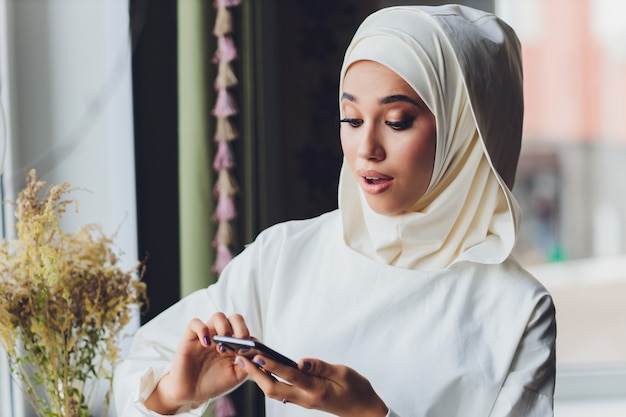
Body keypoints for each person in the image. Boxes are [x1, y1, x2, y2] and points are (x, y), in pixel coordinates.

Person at [114, 4, 556, 417]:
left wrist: (374, 414)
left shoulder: (518, 309)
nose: (366, 149)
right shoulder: (284, 257)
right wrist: (173, 393)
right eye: (352, 120)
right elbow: (134, 372)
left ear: (467, 131)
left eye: (397, 120)